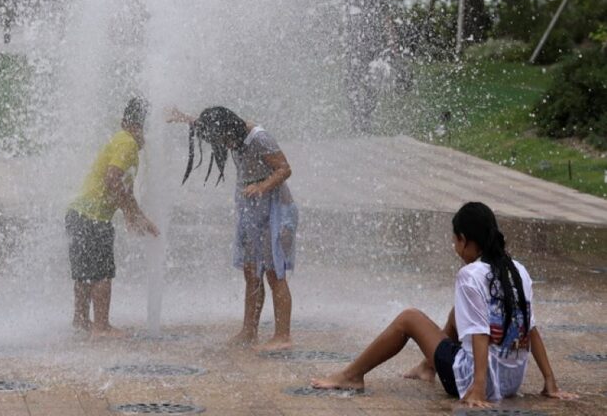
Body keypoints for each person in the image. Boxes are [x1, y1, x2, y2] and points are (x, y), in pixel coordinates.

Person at [311, 202, 577, 407]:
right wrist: (550, 383)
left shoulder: (470, 275)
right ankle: (428, 367)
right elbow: (531, 330)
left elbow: (480, 334)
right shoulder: (517, 270)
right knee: (457, 311)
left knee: (408, 318)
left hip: (471, 380)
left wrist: (477, 388)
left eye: (454, 241)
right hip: (510, 381)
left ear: (464, 240)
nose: (454, 247)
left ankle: (351, 375)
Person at [168, 106, 298, 350]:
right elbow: (210, 124)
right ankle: (249, 331)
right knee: (251, 272)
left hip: (276, 212)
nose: (223, 145)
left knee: (273, 272)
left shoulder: (259, 138)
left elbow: (284, 168)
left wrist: (262, 186)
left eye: (222, 138)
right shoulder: (231, 132)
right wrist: (186, 119)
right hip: (252, 212)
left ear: (231, 129)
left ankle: (283, 336)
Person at [66, 97, 159, 337]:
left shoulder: (120, 139)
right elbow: (112, 179)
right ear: (139, 127)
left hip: (79, 213)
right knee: (102, 274)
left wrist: (136, 215)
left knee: (85, 272)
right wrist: (131, 214)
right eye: (146, 130)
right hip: (93, 217)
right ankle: (102, 327)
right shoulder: (127, 143)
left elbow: (122, 189)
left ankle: (81, 320)